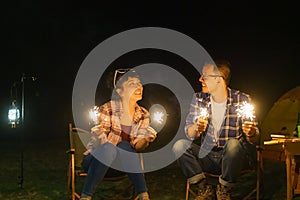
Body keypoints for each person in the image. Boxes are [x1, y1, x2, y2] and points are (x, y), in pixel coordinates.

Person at [172, 60, 260, 200]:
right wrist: (196, 128)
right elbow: (189, 133)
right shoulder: (199, 99)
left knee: (233, 144)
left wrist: (252, 132)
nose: (200, 79)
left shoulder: (241, 99)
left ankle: (224, 189)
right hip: (207, 157)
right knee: (179, 146)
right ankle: (203, 188)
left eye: (205, 76)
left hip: (232, 159)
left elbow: (255, 140)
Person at [80, 68, 157, 200]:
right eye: (132, 83)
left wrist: (146, 139)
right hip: (96, 161)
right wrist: (99, 137)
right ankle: (86, 196)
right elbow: (102, 145)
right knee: (110, 147)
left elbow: (138, 147)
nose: (139, 86)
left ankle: (143, 195)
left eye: (139, 83)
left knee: (125, 146)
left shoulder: (143, 114)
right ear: (120, 91)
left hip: (122, 165)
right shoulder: (108, 108)